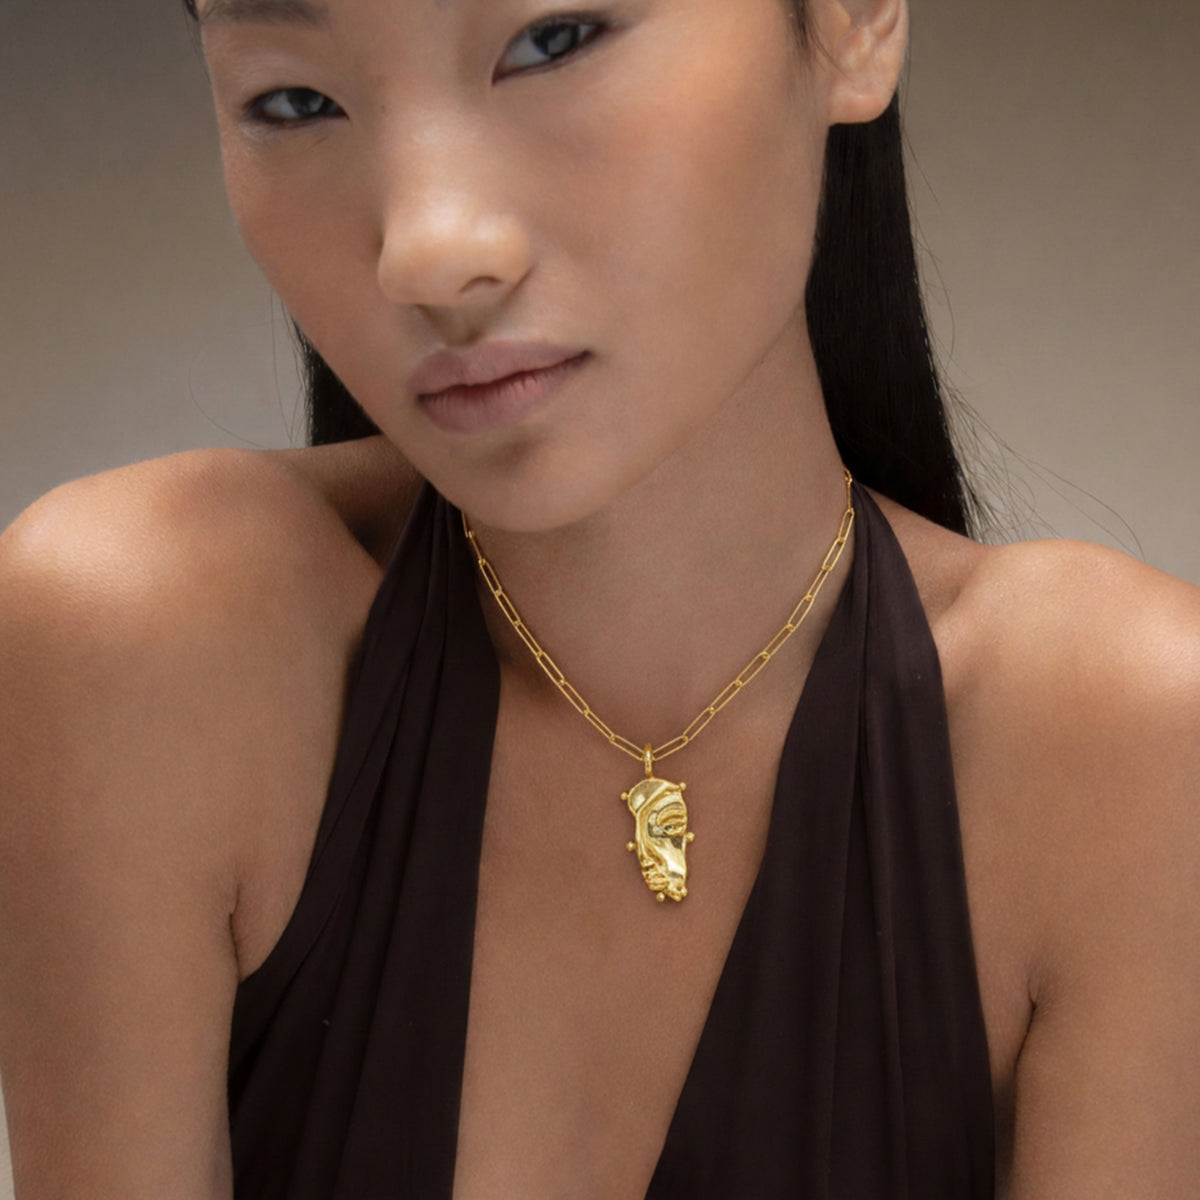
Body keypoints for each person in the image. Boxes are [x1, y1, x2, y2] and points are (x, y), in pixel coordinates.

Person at [0, 0, 1197, 1196]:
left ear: (850, 21)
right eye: (294, 101)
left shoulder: (1122, 750)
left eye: (555, 39)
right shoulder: (148, 648)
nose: (428, 249)